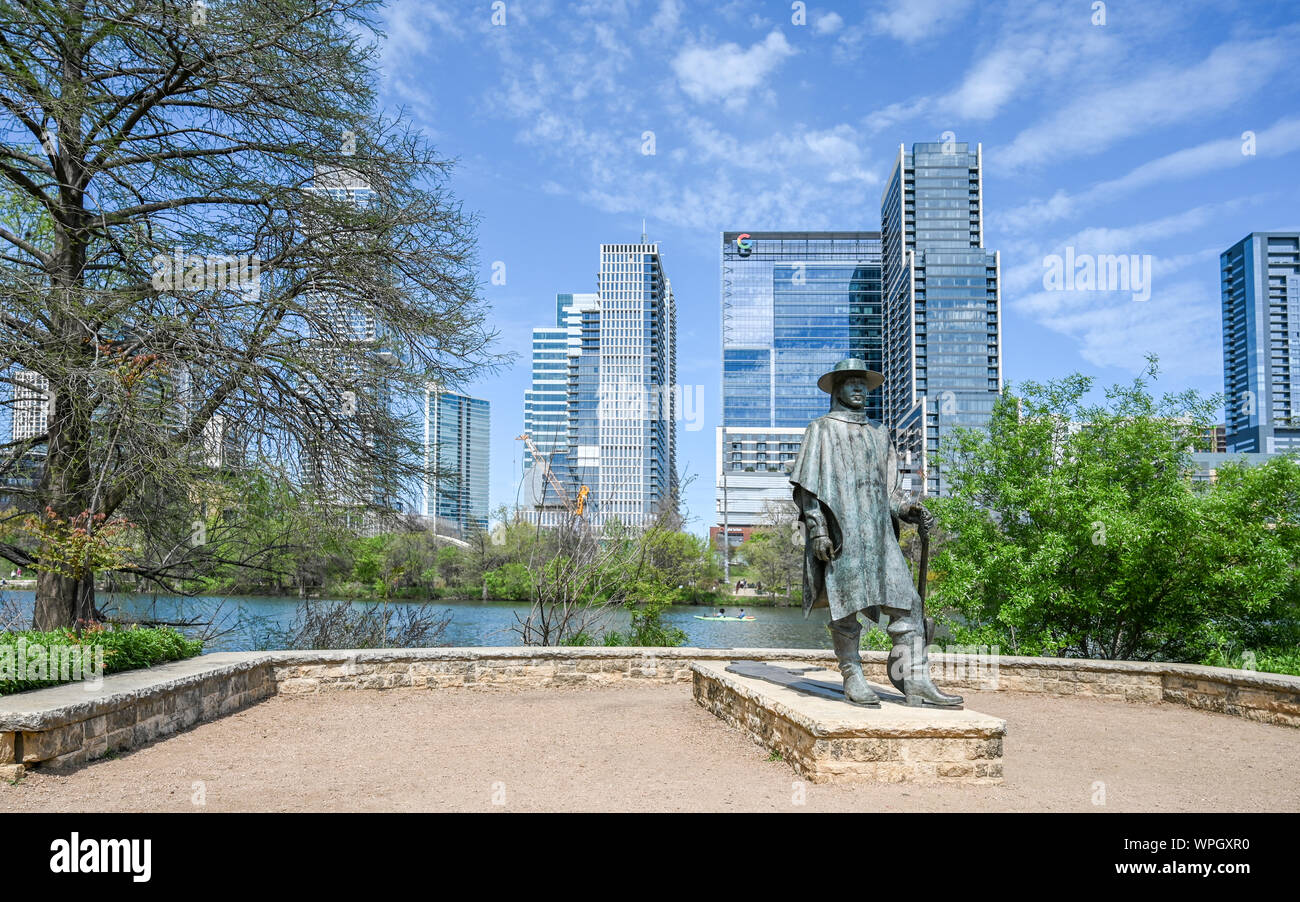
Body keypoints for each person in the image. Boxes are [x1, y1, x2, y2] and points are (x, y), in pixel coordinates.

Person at [790, 357, 961, 708]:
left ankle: (915, 679)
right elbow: (808, 489)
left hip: (880, 536)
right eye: (851, 383)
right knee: (845, 608)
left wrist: (908, 509)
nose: (859, 390)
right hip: (842, 531)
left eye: (863, 385)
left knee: (909, 604)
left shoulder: (879, 433)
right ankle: (852, 674)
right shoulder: (820, 429)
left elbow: (890, 490)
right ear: (837, 389)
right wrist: (818, 528)